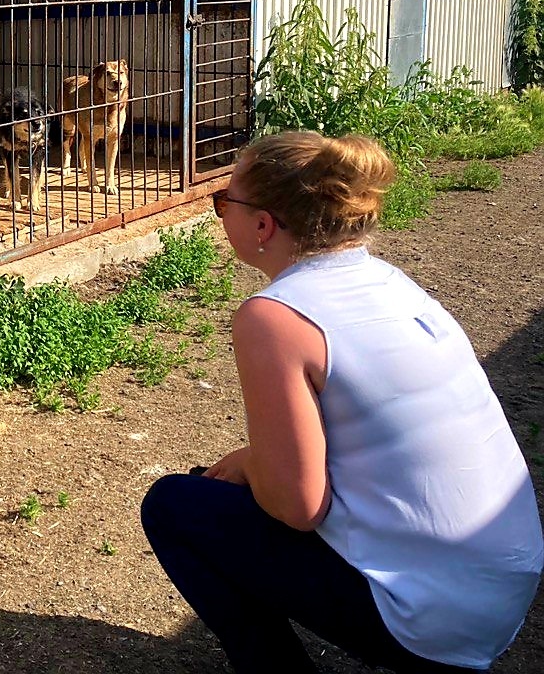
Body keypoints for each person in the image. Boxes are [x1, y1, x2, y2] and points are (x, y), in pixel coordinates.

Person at [141, 131, 543, 673]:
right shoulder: (389, 283)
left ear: (262, 226)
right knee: (222, 489)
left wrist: (262, 469)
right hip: (500, 589)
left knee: (174, 506)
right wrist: (255, 462)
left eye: (222, 202)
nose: (219, 213)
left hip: (434, 624)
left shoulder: (274, 318)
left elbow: (298, 509)